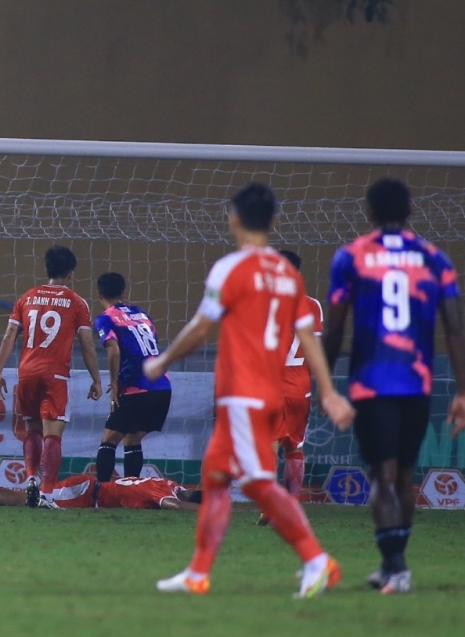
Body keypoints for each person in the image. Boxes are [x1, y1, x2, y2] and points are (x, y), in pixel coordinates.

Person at [143, 183, 354, 597]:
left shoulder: (231, 268)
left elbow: (202, 328)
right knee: (216, 479)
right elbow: (308, 337)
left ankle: (317, 560)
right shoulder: (288, 275)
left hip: (243, 393)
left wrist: (163, 361)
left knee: (257, 482)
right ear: (274, 222)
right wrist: (327, 390)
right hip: (269, 391)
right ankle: (198, 573)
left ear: (233, 218)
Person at [323, 177, 465, 595]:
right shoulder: (434, 257)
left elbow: (334, 330)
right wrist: (463, 391)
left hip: (372, 383)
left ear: (369, 212)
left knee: (382, 478)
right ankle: (393, 568)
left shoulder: (351, 256)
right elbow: (455, 331)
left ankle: (395, 566)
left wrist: (326, 384)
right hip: (418, 382)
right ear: (409, 212)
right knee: (404, 477)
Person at [0, 246, 103, 509]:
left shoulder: (26, 298)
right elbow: (87, 344)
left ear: (47, 270)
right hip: (55, 375)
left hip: (27, 372)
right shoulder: (77, 302)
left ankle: (30, 477)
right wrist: (96, 378)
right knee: (53, 435)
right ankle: (48, 494)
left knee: (32, 429)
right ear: (71, 273)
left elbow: (9, 336)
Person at [255, 249, 323, 525]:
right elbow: (315, 349)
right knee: (295, 446)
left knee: (268, 445)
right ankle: (292, 505)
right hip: (300, 388)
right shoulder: (312, 305)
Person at [92, 272, 172, 493]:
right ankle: (132, 492)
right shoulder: (142, 314)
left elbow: (113, 350)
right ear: (123, 292)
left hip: (138, 387)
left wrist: (115, 383)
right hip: (163, 387)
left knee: (109, 439)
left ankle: (103, 494)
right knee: (132, 439)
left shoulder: (105, 318)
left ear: (98, 293)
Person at [0, 474, 201, 510]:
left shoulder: (171, 484)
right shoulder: (163, 493)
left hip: (89, 486)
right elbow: (175, 506)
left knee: (24, 497)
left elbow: (182, 498)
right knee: (23, 499)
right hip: (86, 493)